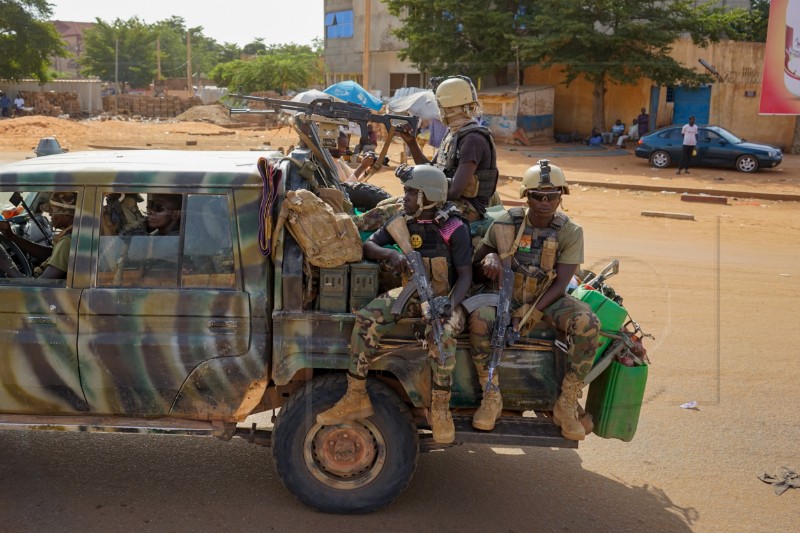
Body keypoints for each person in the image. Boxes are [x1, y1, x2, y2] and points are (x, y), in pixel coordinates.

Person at [316, 164, 473, 444]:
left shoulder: (453, 228)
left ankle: (440, 408)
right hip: (410, 295)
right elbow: (369, 246)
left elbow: (465, 276)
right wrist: (390, 255)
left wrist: (449, 305)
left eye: (412, 193)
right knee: (366, 318)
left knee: (444, 337)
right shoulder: (404, 220)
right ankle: (356, 394)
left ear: (427, 195)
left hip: (446, 299)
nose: (406, 198)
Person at [468, 161, 600, 440]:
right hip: (505, 296)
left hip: (547, 300)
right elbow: (479, 266)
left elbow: (562, 283)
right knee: (479, 320)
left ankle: (566, 402)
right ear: (526, 196)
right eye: (537, 196)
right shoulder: (505, 222)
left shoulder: (570, 231)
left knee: (588, 322)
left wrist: (530, 311)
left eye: (551, 196)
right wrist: (489, 258)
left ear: (560, 197)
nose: (544, 202)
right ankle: (491, 394)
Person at [398, 76, 499, 223]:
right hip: (447, 199)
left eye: (441, 107)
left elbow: (455, 191)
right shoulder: (453, 133)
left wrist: (420, 192)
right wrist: (412, 143)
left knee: (394, 212)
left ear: (450, 108)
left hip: (468, 207)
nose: (439, 111)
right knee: (390, 203)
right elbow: (431, 170)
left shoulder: (473, 140)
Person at [0, 192, 76, 279]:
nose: (50, 214)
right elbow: (50, 254)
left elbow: (40, 285)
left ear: (67, 214)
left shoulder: (67, 241)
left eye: (53, 211)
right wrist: (12, 236)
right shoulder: (73, 235)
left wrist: (7, 266)